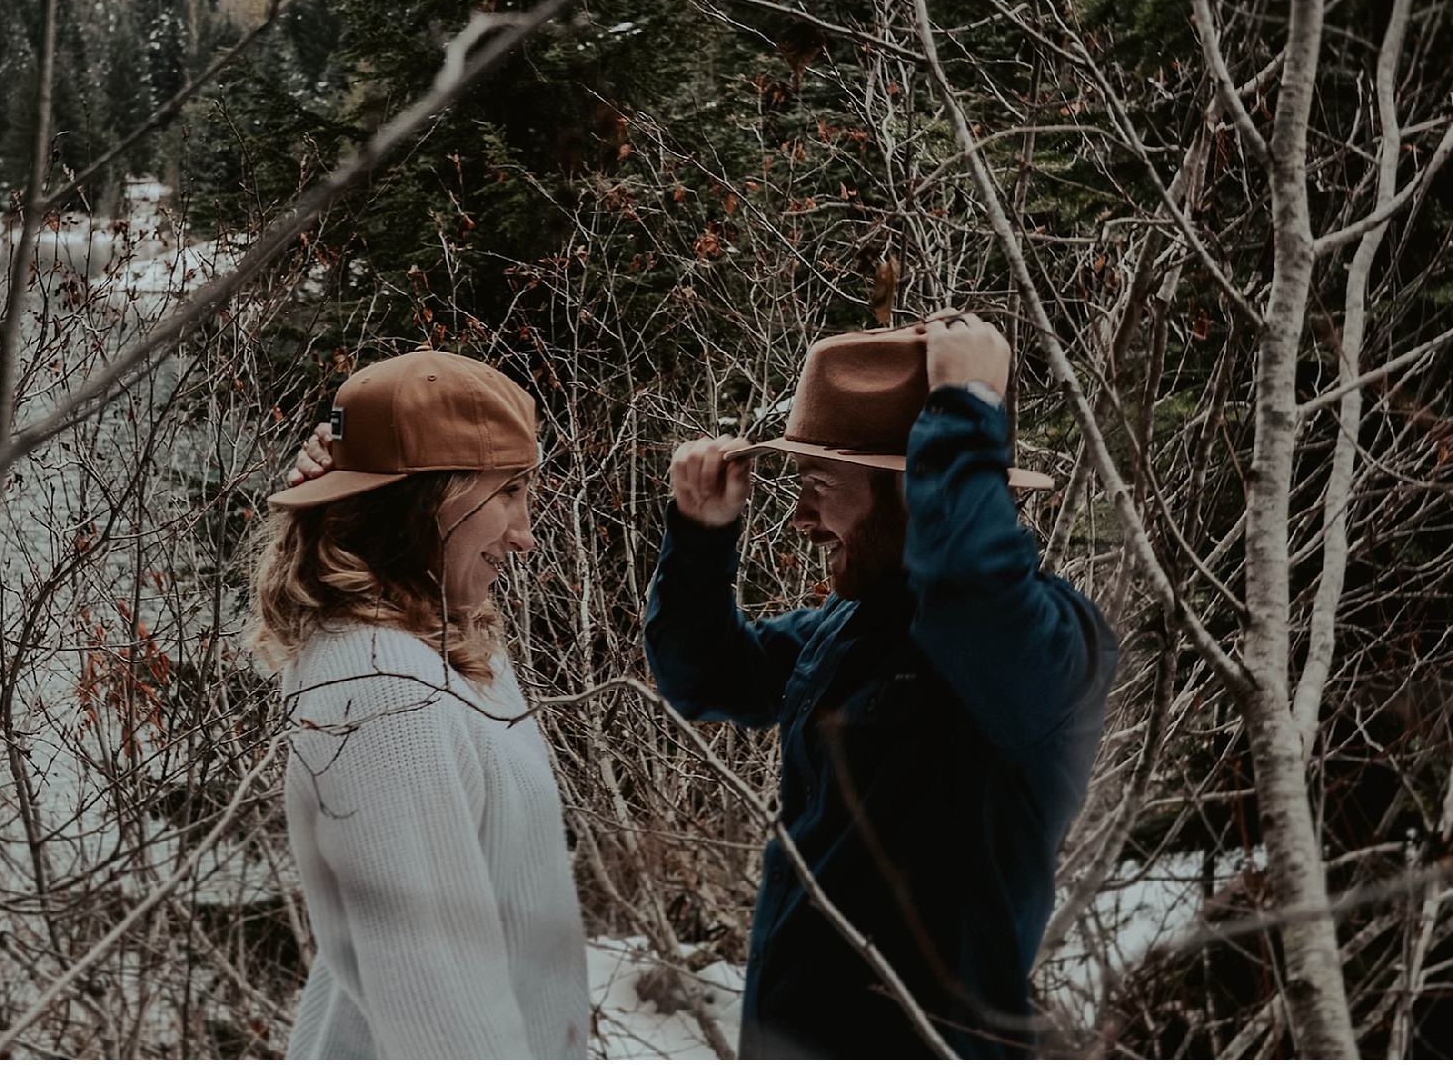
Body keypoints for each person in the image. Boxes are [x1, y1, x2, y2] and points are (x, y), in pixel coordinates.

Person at [646, 314, 1119, 1058]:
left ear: (914, 489)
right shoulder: (855, 627)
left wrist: (964, 409)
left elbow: (971, 596)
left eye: (819, 485)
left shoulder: (1047, 645)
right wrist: (701, 537)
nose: (800, 519)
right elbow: (706, 675)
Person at [253, 348, 589, 1059]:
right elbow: (437, 1008)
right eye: (508, 492)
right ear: (425, 498)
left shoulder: (444, 638)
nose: (525, 535)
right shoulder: (379, 685)